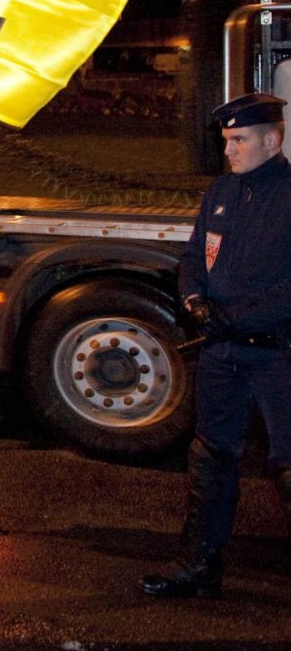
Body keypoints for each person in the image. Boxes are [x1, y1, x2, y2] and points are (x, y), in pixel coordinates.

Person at [141, 92, 291, 599]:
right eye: (227, 140)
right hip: (222, 353)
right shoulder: (221, 193)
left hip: (277, 355)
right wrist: (193, 299)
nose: (229, 149)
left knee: (288, 465)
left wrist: (234, 317)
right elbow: (193, 256)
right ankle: (199, 565)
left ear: (272, 139)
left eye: (239, 140)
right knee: (210, 459)